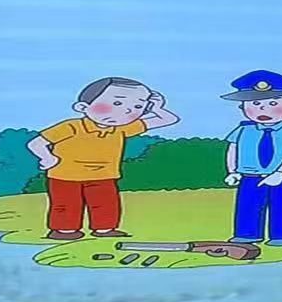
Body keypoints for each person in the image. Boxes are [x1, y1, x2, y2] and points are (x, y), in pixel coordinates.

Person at [28, 78, 180, 240]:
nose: (126, 112)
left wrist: (157, 108)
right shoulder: (71, 127)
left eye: (137, 106)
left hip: (104, 175)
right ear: (83, 107)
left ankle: (104, 229)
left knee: (106, 203)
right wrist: (48, 158)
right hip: (65, 175)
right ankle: (64, 230)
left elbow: (169, 119)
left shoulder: (121, 129)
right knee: (66, 204)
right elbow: (36, 143)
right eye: (117, 103)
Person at [222, 72, 282, 247]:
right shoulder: (244, 129)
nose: (262, 109)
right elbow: (233, 149)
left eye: (273, 103)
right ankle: (247, 235)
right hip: (250, 175)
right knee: (248, 205)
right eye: (255, 104)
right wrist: (233, 171)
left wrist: (280, 173)